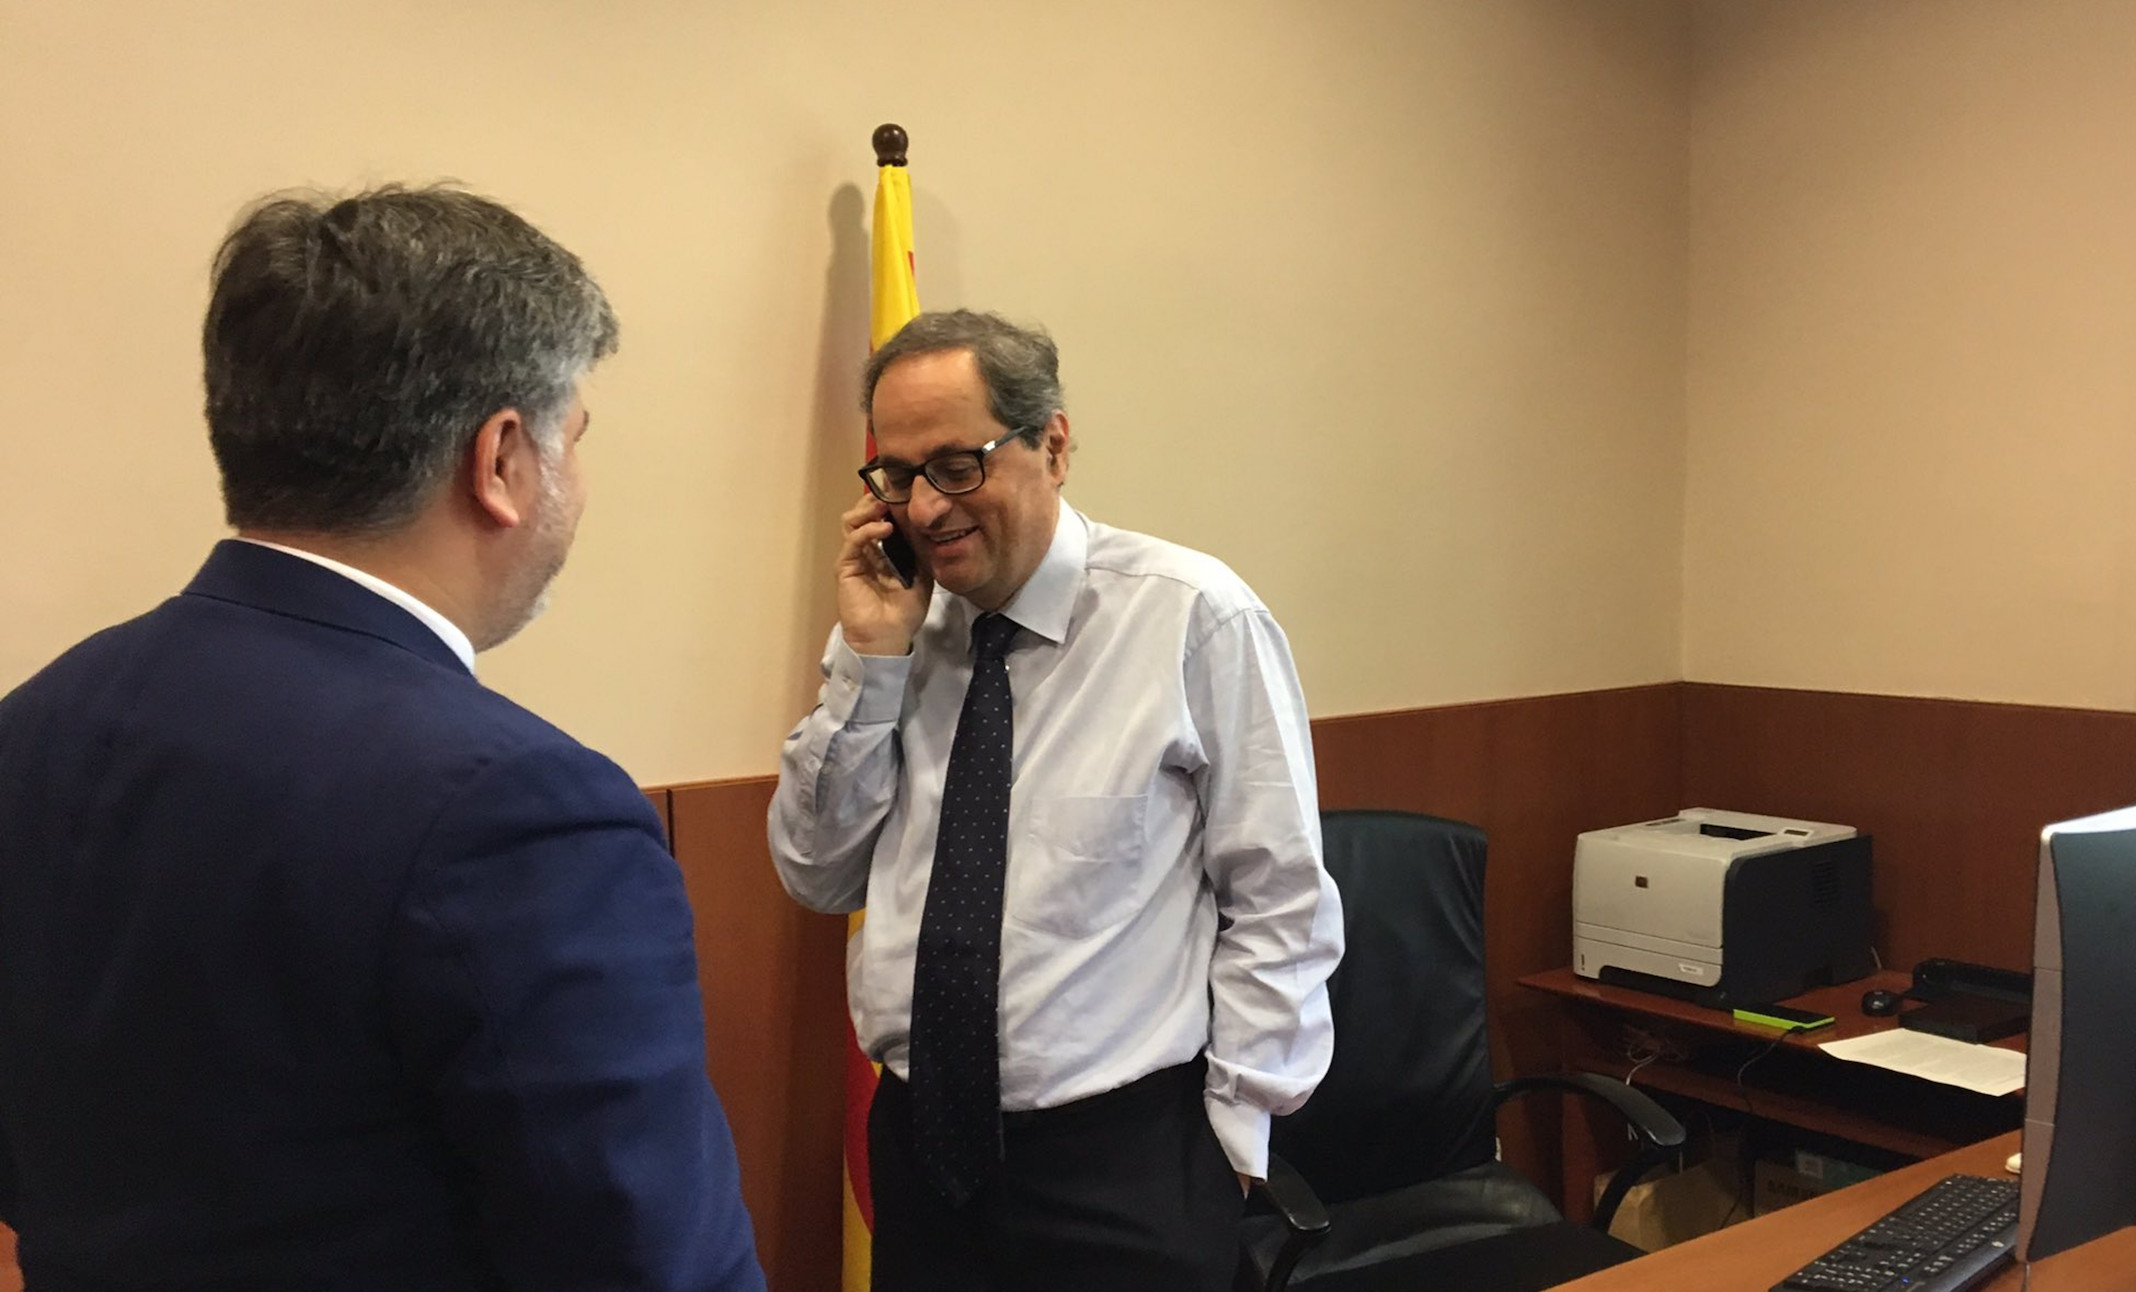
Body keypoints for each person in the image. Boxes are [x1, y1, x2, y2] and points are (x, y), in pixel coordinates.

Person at [0, 186, 764, 1292]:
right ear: (501, 457)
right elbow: (651, 1261)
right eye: (575, 439)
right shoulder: (522, 807)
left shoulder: (32, 730)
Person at [768, 309, 1344, 1291]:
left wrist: (1235, 1137)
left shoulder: (1193, 619)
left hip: (1120, 1161)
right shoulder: (889, 631)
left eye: (958, 464)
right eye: (898, 475)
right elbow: (818, 874)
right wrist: (871, 657)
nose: (926, 507)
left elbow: (1278, 895)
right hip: (921, 1147)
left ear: (1055, 443)